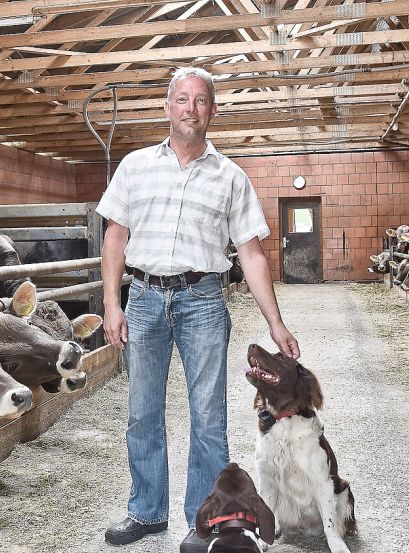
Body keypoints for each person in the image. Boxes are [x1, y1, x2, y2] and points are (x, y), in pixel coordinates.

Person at [96, 66, 300, 553]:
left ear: (212, 110)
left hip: (204, 300)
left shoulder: (231, 177)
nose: (191, 108)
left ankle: (203, 519)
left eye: (201, 100)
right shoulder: (135, 166)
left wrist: (275, 322)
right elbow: (115, 237)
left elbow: (250, 253)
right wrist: (111, 303)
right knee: (143, 413)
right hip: (143, 299)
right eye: (182, 99)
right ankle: (146, 511)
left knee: (207, 417)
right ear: (168, 107)